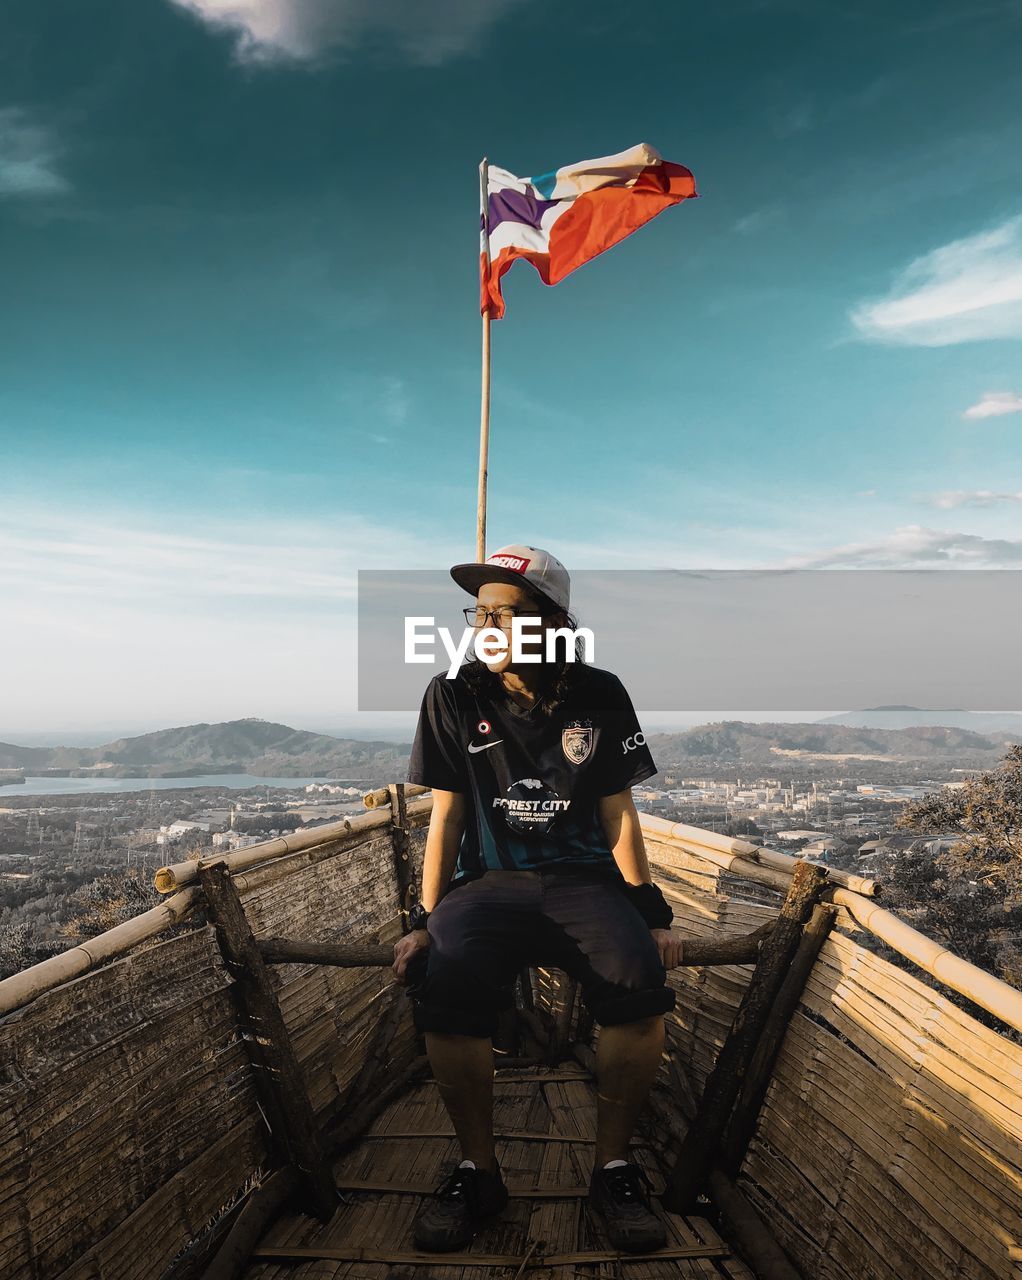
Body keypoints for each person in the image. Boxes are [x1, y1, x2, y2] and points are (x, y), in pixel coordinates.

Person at [393, 543, 682, 1254]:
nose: (485, 626)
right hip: (488, 886)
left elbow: (617, 812)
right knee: (446, 982)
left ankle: (612, 1169)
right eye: (479, 612)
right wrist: (425, 921)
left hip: (584, 882)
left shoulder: (599, 694)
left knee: (637, 982)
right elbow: (449, 817)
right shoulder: (453, 696)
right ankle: (478, 1171)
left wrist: (649, 910)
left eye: (504, 613)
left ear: (551, 623)